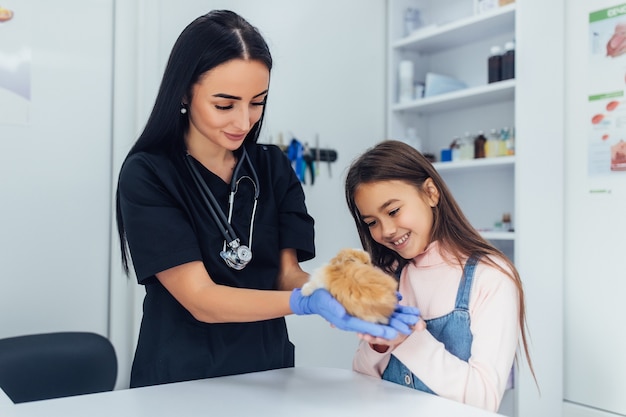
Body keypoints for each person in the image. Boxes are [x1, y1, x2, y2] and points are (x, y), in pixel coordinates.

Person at [115, 11, 419, 389]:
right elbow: (200, 298)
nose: (243, 122)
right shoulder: (149, 173)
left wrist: (339, 292)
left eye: (257, 102)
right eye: (224, 105)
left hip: (268, 371)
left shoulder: (272, 166)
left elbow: (284, 275)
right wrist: (304, 302)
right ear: (183, 92)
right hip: (181, 378)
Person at [344, 140, 535, 412]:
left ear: (431, 192)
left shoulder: (491, 277)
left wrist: (407, 339)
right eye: (372, 222)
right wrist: (377, 347)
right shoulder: (390, 276)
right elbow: (363, 383)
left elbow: (483, 400)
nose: (385, 230)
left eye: (394, 211)